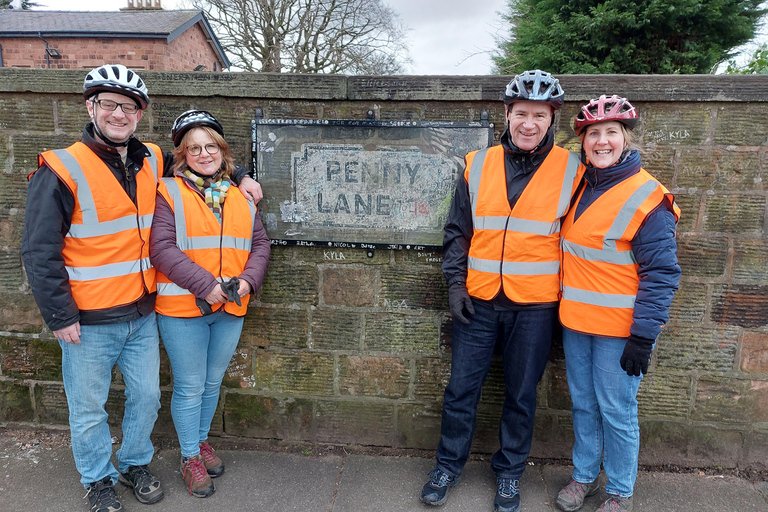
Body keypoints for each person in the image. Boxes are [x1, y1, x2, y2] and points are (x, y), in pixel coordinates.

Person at [20, 64, 262, 512]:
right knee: (89, 408)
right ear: (90, 106)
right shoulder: (62, 167)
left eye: (128, 107)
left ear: (139, 114)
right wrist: (59, 316)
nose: (118, 114)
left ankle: (134, 463)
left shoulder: (150, 157)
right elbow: (38, 251)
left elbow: (202, 158)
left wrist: (244, 175)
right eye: (108, 104)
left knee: (147, 399)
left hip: (141, 312)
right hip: (87, 319)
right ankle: (98, 481)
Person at [421, 70, 585, 512]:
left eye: (539, 115)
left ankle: (510, 473)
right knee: (460, 390)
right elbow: (457, 231)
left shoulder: (574, 169)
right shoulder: (478, 164)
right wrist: (455, 285)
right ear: (506, 114)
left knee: (521, 394)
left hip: (535, 306)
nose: (528, 124)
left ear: (552, 119)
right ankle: (447, 465)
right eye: (521, 114)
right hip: (478, 299)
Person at [555, 95, 681, 512]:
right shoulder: (578, 187)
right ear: (584, 142)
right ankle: (584, 476)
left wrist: (643, 336)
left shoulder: (648, 198)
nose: (602, 141)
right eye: (594, 134)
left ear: (625, 139)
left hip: (620, 332)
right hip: (576, 324)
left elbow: (661, 273)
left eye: (612, 132)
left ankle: (620, 491)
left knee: (617, 411)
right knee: (584, 404)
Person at [149, 110, 270, 498]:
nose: (204, 154)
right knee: (189, 386)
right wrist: (206, 286)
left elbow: (260, 245)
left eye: (211, 147)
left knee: (212, 382)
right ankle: (189, 458)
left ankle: (200, 442)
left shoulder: (241, 195)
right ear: (182, 155)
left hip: (231, 309)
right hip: (184, 310)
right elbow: (162, 248)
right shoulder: (168, 191)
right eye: (194, 148)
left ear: (223, 151)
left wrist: (249, 281)